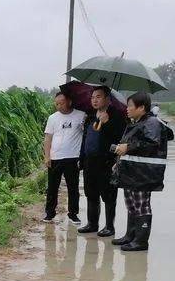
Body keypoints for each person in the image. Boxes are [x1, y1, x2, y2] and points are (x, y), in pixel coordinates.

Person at [111, 91, 174, 251]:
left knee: (141, 205)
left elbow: (151, 143)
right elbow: (130, 146)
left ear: (142, 107)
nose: (127, 108)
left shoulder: (151, 122)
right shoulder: (135, 122)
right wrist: (119, 159)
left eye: (130, 106)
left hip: (143, 173)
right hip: (131, 171)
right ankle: (130, 235)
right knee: (131, 204)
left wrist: (128, 147)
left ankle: (141, 241)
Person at [77, 86, 125, 236]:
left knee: (109, 195)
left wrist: (107, 123)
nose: (94, 100)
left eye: (98, 97)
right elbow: (85, 139)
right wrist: (81, 158)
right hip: (90, 161)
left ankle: (109, 227)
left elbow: (119, 138)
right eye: (92, 97)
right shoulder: (90, 116)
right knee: (91, 193)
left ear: (107, 99)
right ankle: (92, 224)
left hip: (106, 162)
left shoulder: (116, 116)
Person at [43, 91, 86, 224]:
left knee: (73, 188)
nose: (59, 106)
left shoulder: (81, 115)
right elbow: (48, 138)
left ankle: (73, 214)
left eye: (61, 103)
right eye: (56, 104)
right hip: (55, 157)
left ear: (69, 101)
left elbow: (87, 132)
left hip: (73, 158)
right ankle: (50, 213)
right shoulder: (53, 118)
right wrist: (47, 156)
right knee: (52, 187)